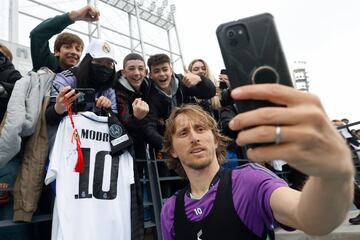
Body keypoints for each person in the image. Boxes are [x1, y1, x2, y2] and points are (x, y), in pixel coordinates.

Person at [160, 84, 354, 240]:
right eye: (184, 133)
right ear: (172, 150)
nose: (194, 138)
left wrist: (333, 175)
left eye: (201, 129)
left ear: (216, 139)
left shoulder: (249, 180)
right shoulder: (170, 209)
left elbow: (312, 216)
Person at [142, 53, 216, 152]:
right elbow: (149, 128)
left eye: (165, 69)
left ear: (171, 70)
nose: (162, 74)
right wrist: (172, 147)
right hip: (168, 146)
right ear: (150, 75)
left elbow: (209, 93)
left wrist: (200, 79)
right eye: (156, 71)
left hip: (193, 137)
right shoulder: (149, 94)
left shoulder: (183, 82)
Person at [46, 38, 117, 125]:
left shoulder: (109, 90)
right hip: (62, 135)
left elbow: (114, 124)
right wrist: (58, 109)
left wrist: (107, 110)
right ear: (87, 60)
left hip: (93, 136)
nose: (104, 67)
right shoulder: (66, 79)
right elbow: (47, 119)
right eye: (98, 61)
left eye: (109, 64)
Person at [30, 5, 99, 73]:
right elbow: (37, 35)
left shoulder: (79, 76)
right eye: (67, 47)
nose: (74, 52)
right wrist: (72, 17)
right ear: (57, 52)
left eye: (78, 49)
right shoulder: (46, 64)